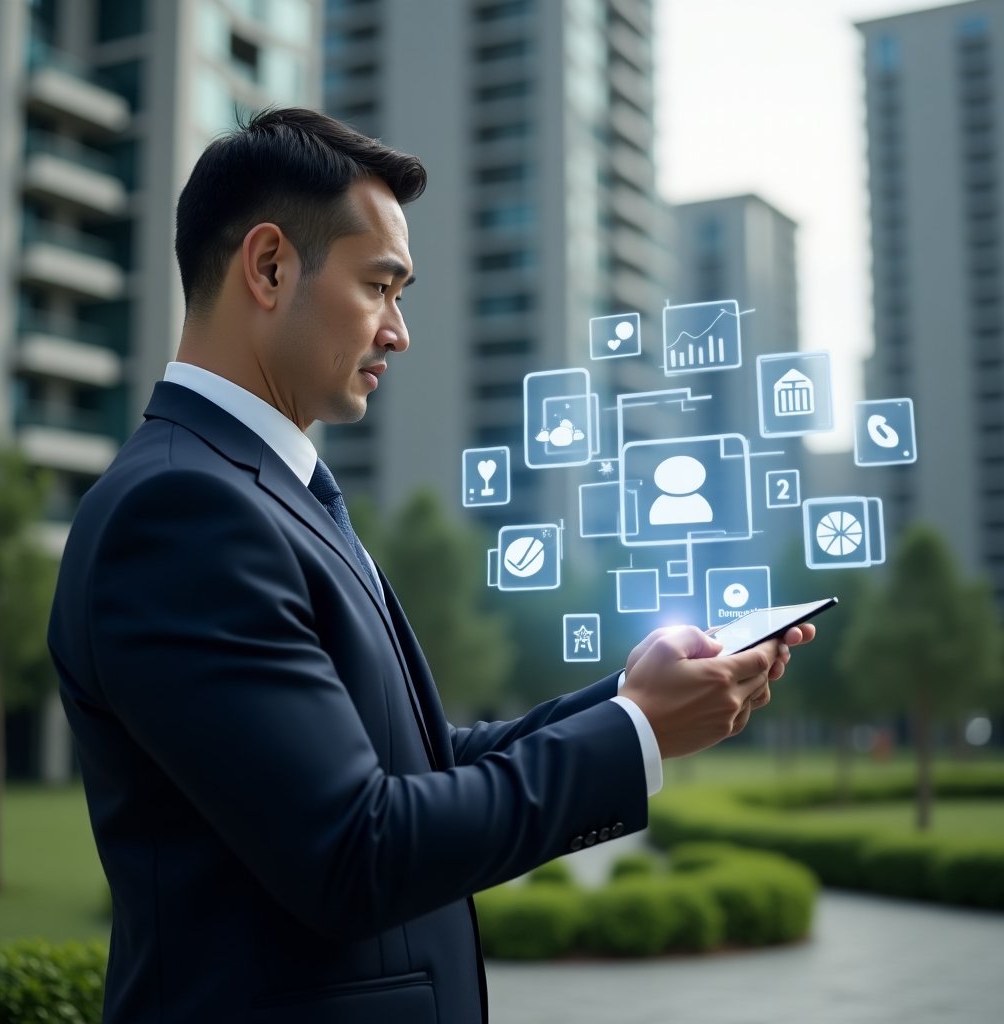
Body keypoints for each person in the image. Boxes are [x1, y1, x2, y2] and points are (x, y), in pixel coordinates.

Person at [48, 108, 814, 1024]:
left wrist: (631, 698)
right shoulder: (182, 513)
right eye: (380, 286)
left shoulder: (264, 496)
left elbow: (416, 768)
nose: (398, 332)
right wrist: (639, 736)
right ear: (268, 266)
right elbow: (354, 851)